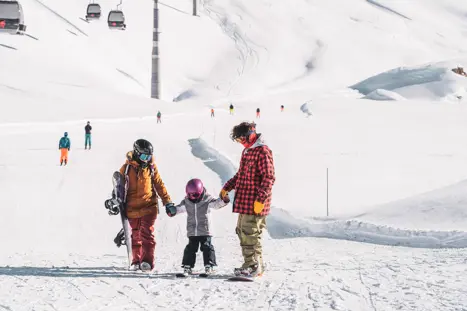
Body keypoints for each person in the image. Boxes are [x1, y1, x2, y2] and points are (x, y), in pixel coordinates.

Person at [219, 122, 275, 277]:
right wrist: (227, 187)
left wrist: (260, 199)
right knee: (242, 231)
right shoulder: (247, 151)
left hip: (255, 202)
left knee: (251, 233)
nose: (241, 143)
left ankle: (254, 265)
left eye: (241, 139)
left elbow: (269, 178)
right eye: (238, 141)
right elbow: (240, 175)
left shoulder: (262, 151)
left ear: (250, 134)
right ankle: (252, 264)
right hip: (245, 201)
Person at [119, 139, 174, 271]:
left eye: (149, 156)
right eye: (144, 156)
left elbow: (159, 185)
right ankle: (136, 260)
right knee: (136, 235)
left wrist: (168, 202)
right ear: (137, 153)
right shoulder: (126, 169)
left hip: (149, 207)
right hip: (131, 209)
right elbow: (119, 188)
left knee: (146, 234)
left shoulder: (151, 168)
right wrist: (116, 202)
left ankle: (147, 262)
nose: (147, 159)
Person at [166, 179, 229, 275]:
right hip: (193, 230)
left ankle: (209, 266)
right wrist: (173, 211)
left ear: (200, 192)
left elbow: (216, 204)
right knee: (190, 248)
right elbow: (179, 208)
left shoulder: (207, 199)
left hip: (205, 230)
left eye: (194, 195)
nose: (192, 197)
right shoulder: (187, 201)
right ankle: (188, 266)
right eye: (189, 195)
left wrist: (224, 201)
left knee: (207, 247)